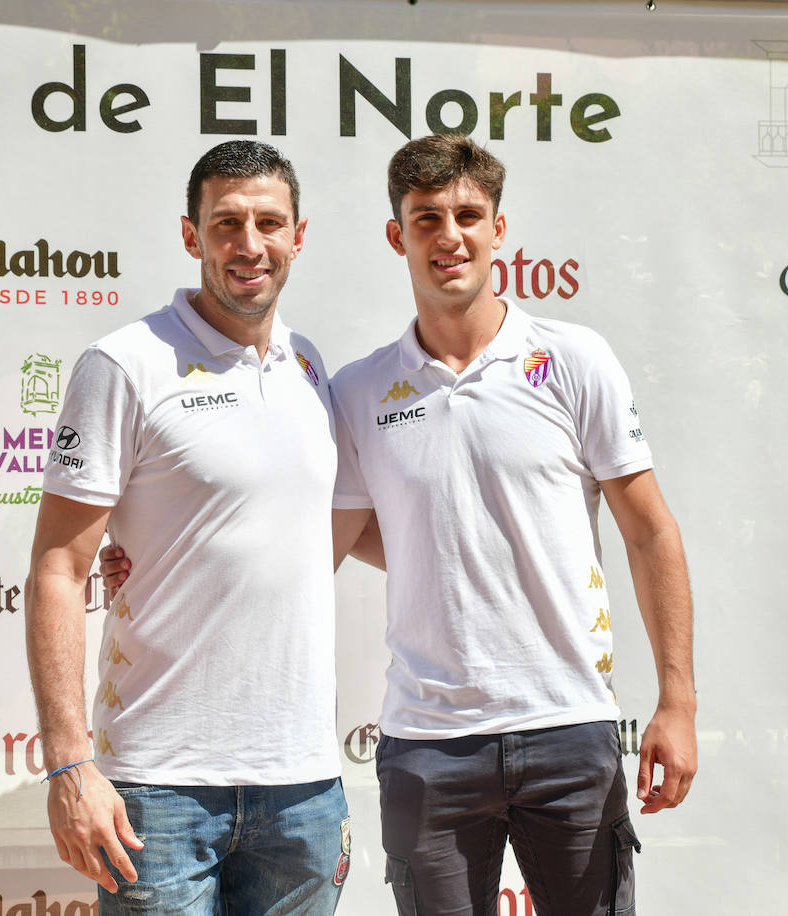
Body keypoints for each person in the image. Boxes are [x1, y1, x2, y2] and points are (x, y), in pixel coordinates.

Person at [102, 134, 696, 916]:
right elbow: (322, 537)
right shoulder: (357, 389)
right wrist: (148, 549)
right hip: (427, 746)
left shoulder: (575, 358)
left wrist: (678, 703)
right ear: (397, 236)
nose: (449, 235)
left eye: (467, 215)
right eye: (426, 218)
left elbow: (650, 531)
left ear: (498, 228)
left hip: (569, 726)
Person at [25, 140, 354, 916]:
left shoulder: (310, 368)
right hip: (158, 791)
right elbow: (59, 568)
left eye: (269, 223)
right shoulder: (124, 363)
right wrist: (70, 764)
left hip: (305, 787)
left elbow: (333, 528)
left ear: (298, 237)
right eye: (227, 223)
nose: (250, 244)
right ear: (191, 234)